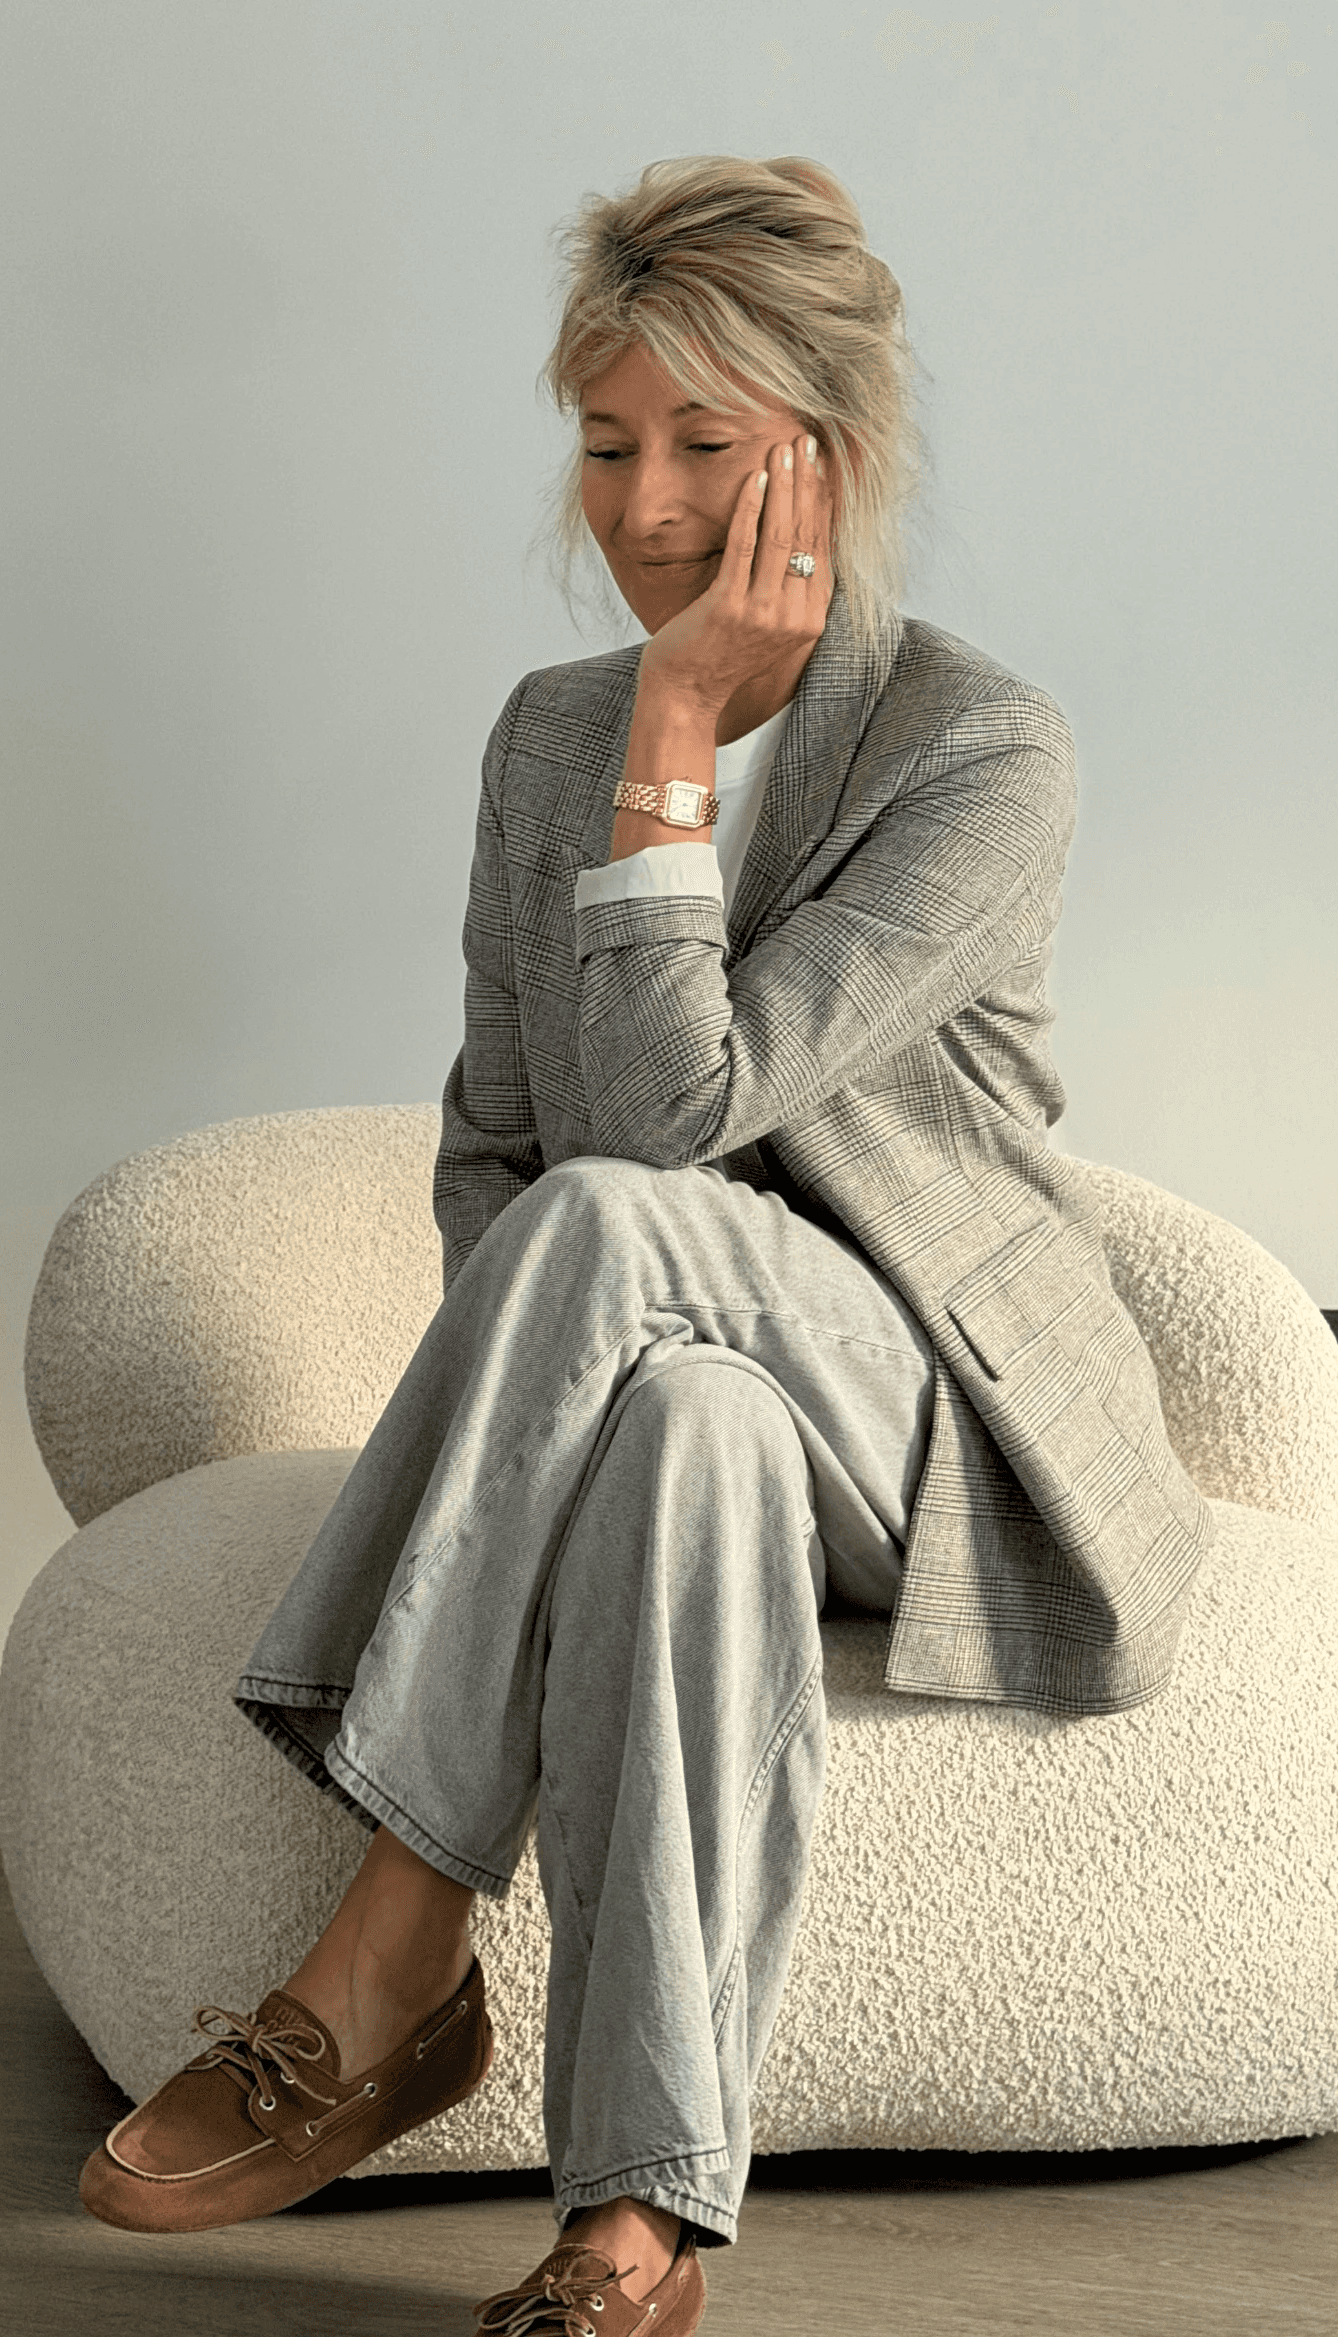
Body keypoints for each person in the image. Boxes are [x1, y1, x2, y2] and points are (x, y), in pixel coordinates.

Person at [75, 155, 1212, 2337]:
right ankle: (636, 2235)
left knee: (628, 1221)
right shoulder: (541, 739)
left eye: (708, 443)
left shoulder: (982, 747)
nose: (647, 501)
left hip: (925, 1418)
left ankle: (394, 1932)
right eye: (608, 443)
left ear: (835, 460)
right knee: (678, 1423)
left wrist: (681, 738)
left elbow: (657, 1124)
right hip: (693, 1400)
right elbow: (497, 1149)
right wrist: (631, 741)